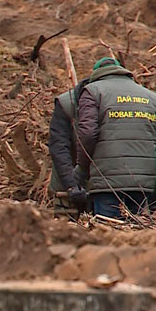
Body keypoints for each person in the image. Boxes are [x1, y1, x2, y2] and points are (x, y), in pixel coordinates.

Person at [73, 57, 156, 219]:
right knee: (136, 236)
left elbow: (87, 133)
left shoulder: (92, 91)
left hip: (106, 183)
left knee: (109, 235)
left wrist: (82, 169)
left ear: (96, 75)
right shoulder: (151, 97)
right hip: (142, 184)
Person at [48, 77, 91, 217]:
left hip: (100, 186)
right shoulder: (66, 104)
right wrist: (71, 184)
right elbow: (59, 147)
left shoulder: (113, 103)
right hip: (66, 183)